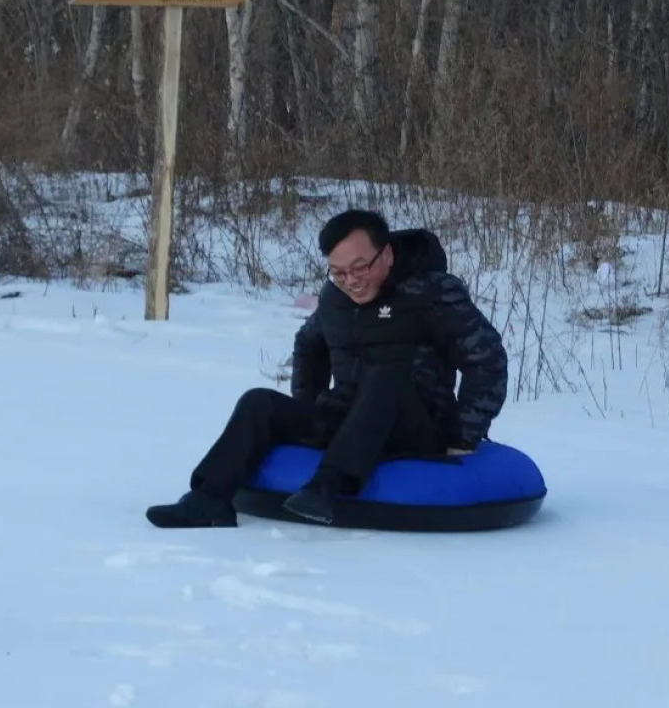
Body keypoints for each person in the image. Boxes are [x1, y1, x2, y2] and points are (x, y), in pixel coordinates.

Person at [146, 208, 508, 528]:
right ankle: (207, 501)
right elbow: (309, 346)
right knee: (259, 402)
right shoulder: (335, 298)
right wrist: (308, 403)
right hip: (349, 417)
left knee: (385, 376)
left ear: (387, 254)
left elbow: (486, 358)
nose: (350, 281)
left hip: (416, 426)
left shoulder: (433, 292)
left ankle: (327, 487)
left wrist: (464, 435)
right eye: (338, 272)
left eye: (359, 268)